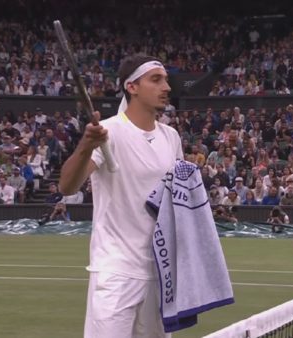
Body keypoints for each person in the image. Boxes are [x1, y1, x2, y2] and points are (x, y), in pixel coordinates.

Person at [58, 55, 183, 338]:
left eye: (165, 80)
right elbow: (67, 187)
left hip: (161, 272)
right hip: (116, 271)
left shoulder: (172, 137)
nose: (166, 87)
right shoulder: (109, 132)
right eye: (156, 79)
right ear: (132, 87)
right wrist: (86, 146)